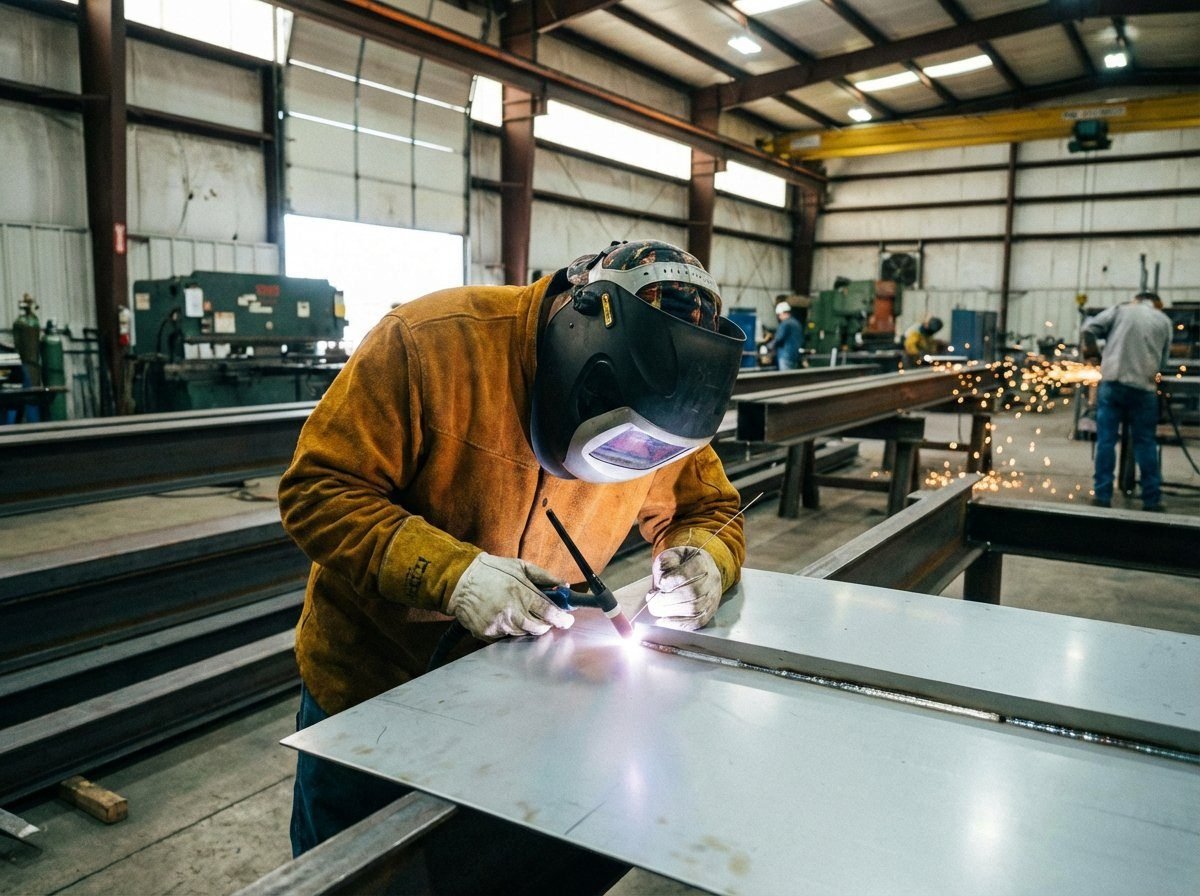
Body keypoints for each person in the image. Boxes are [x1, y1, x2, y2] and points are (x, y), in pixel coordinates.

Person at [277, 239, 747, 881]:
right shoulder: (427, 344)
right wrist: (452, 573)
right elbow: (317, 491)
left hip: (531, 704)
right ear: (577, 345)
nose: (632, 465)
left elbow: (709, 509)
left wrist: (706, 562)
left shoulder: (665, 411)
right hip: (374, 694)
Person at [1081, 291, 1172, 511]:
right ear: (1156, 304)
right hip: (1144, 389)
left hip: (1113, 385)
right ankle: (1152, 499)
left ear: (1137, 299)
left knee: (1106, 441)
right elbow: (1164, 361)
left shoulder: (1121, 310)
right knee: (1145, 444)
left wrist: (1095, 353)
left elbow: (1088, 329)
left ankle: (1103, 495)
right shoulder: (1164, 321)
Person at [765, 300, 803, 369]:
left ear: (783, 313)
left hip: (785, 356)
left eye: (779, 315)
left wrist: (768, 346)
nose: (779, 317)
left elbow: (778, 338)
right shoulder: (797, 323)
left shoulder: (785, 324)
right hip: (795, 356)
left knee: (785, 378)